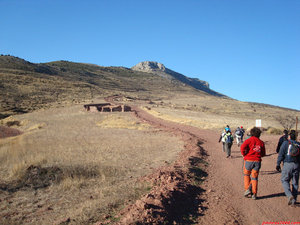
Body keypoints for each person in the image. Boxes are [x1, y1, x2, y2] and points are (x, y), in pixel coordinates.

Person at [241, 127, 266, 200]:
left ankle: (247, 190)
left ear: (251, 133)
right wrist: (258, 155)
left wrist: (244, 154)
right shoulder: (261, 142)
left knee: (246, 175)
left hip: (248, 160)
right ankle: (254, 193)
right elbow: (263, 153)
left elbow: (242, 147)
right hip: (257, 161)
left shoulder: (248, 140)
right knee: (254, 177)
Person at [276, 130, 300, 206]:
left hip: (287, 164)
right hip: (297, 165)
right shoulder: (299, 144)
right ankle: (294, 201)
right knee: (295, 183)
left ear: (289, 136)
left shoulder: (286, 143)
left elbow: (281, 154)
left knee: (284, 180)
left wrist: (278, 164)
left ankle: (289, 196)